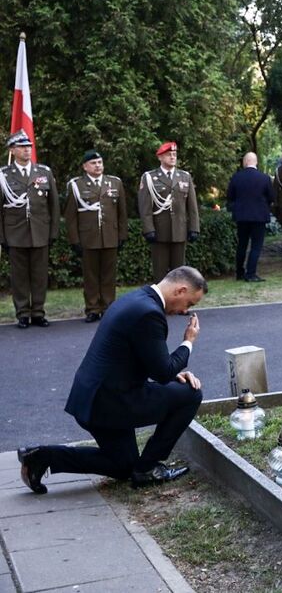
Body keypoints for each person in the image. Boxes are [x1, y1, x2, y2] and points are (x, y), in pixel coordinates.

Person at [17, 266, 206, 492]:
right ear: (181, 290)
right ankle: (148, 469)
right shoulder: (149, 313)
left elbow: (138, 358)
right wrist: (188, 341)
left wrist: (173, 371)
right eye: (190, 304)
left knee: (123, 465)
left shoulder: (135, 299)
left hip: (91, 397)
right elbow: (162, 372)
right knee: (191, 394)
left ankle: (40, 457)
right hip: (109, 403)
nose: (186, 311)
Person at [0, 129, 60, 328]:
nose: (27, 150)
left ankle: (38, 312)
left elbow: (53, 205)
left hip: (40, 232)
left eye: (29, 147)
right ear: (12, 150)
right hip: (15, 233)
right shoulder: (4, 175)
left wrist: (53, 232)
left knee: (40, 275)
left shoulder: (44, 172)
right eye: (22, 147)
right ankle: (23, 313)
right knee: (19, 276)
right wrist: (2, 236)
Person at [64, 150, 128, 322]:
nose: (98, 165)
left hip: (110, 236)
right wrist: (75, 240)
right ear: (85, 167)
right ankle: (92, 308)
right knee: (90, 276)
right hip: (88, 238)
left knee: (109, 275)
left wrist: (122, 235)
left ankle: (108, 308)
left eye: (100, 162)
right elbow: (71, 217)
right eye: (93, 163)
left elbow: (122, 212)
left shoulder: (115, 183)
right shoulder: (76, 185)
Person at [138, 141, 200, 281]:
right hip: (159, 231)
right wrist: (148, 229)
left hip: (179, 230)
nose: (172, 157)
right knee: (160, 273)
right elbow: (145, 207)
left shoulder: (185, 176)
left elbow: (192, 206)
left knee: (179, 273)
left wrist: (194, 228)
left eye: (174, 154)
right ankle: (161, 301)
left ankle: (177, 302)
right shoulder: (149, 178)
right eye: (168, 155)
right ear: (160, 157)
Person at [227, 152, 275, 282]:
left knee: (241, 245)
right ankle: (251, 273)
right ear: (256, 162)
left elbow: (230, 196)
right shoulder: (264, 178)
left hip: (241, 216)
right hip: (259, 216)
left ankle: (239, 272)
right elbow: (271, 197)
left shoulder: (236, 177)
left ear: (245, 162)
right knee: (256, 246)